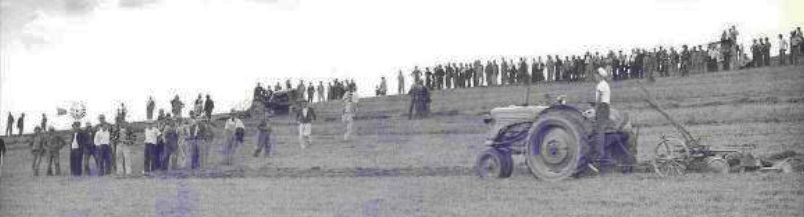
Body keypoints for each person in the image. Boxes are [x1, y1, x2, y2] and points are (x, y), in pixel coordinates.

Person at [591, 68, 611, 170]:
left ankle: (599, 155)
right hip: (606, 107)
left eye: (595, 75)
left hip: (602, 108)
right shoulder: (605, 84)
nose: (594, 77)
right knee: (601, 130)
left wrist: (594, 111)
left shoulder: (600, 85)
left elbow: (598, 100)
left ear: (599, 76)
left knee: (599, 131)